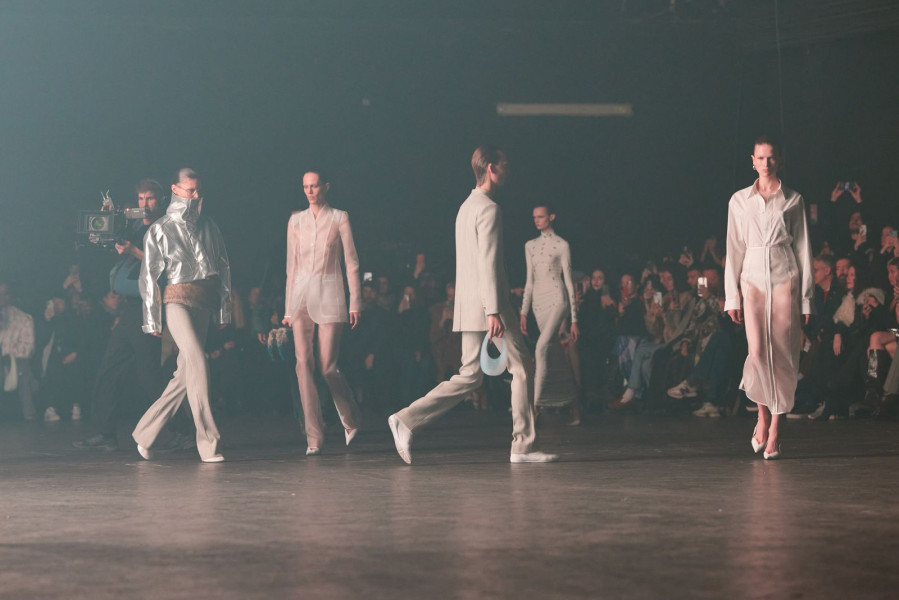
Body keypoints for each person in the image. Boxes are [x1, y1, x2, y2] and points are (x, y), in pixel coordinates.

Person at [387, 145, 557, 464]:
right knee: (522, 368)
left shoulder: (465, 207)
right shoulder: (489, 208)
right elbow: (488, 263)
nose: (507, 170)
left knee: (470, 376)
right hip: (491, 305)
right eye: (504, 165)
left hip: (468, 305)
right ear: (491, 168)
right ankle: (523, 445)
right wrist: (493, 310)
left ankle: (406, 419)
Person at [132, 168, 232, 463]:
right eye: (190, 190)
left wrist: (223, 309)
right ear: (175, 190)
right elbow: (149, 277)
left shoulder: (209, 226)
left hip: (203, 301)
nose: (196, 196)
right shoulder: (160, 229)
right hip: (175, 301)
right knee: (198, 361)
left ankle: (145, 433)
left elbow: (223, 268)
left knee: (185, 374)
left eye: (199, 190)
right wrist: (151, 319)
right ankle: (208, 442)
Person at [724, 136, 813, 459]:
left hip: (784, 277)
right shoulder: (739, 200)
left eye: (771, 157)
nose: (766, 163)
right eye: (760, 158)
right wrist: (731, 297)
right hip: (752, 280)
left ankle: (775, 427)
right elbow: (733, 249)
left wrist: (806, 300)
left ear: (779, 160)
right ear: (752, 160)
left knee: (783, 353)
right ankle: (762, 413)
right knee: (758, 351)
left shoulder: (793, 200)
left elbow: (803, 249)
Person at [75, 179, 172, 451]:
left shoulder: (165, 228)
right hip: (131, 308)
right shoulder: (136, 226)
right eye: (140, 198)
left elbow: (163, 266)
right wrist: (108, 223)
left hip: (148, 306)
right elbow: (111, 242)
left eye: (150, 198)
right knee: (111, 368)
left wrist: (133, 251)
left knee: (149, 376)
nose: (144, 204)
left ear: (161, 200)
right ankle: (105, 433)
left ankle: (183, 431)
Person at [283, 169, 362, 456]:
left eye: (315, 186)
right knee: (302, 364)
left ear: (325, 187)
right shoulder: (295, 221)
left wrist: (355, 303)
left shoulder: (340, 218)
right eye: (305, 186)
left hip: (330, 295)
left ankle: (350, 416)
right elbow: (291, 267)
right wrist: (288, 309)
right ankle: (313, 436)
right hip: (300, 298)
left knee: (328, 366)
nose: (310, 191)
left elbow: (351, 263)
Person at [519, 204, 581, 424]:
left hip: (557, 299)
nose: (537, 220)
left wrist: (574, 319)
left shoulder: (562, 245)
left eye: (541, 217)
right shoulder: (530, 245)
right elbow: (529, 280)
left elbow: (569, 282)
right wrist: (524, 311)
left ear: (551, 217)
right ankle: (575, 406)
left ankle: (533, 407)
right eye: (534, 217)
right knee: (554, 357)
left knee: (540, 348)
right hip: (538, 303)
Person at [0, 277, 36, 420]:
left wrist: (7, 355)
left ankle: (28, 414)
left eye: (4, 294)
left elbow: (28, 349)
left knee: (23, 368)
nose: (1, 298)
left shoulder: (24, 318)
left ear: (11, 296)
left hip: (14, 363)